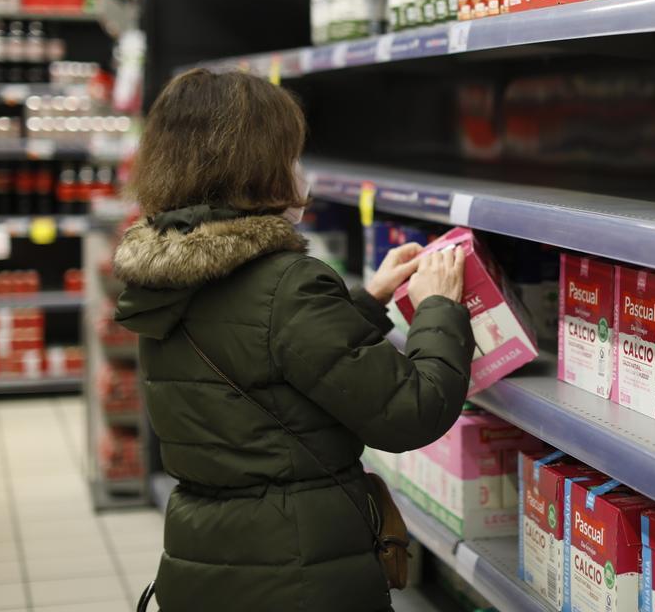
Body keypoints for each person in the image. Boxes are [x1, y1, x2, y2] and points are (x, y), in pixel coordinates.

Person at [113, 68, 474, 611]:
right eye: (291, 154)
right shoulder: (287, 283)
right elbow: (412, 410)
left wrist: (367, 302)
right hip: (295, 572)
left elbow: (259, 353)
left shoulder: (165, 278)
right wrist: (440, 308)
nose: (300, 171)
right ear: (257, 167)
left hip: (204, 558)